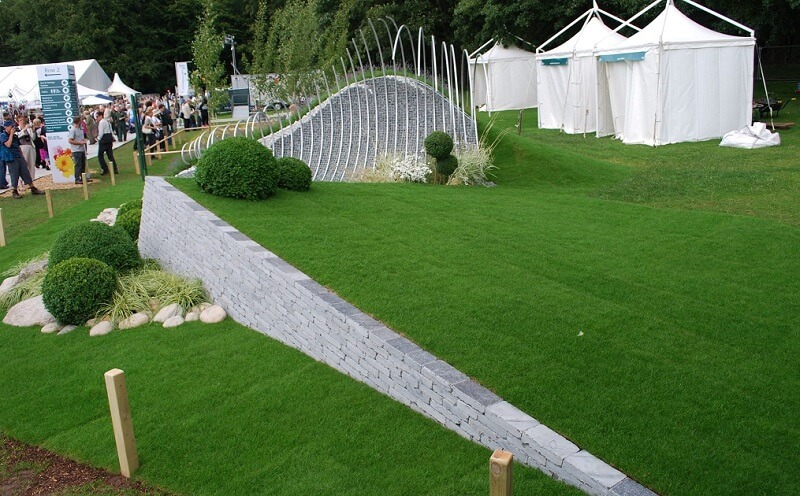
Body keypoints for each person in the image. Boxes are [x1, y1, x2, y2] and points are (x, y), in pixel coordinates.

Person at [1, 120, 44, 199]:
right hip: (10, 158)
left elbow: (18, 146)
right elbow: (7, 145)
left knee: (25, 172)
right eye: (11, 126)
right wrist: (11, 134)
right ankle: (14, 191)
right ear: (6, 127)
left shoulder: (15, 136)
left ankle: (32, 188)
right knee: (14, 174)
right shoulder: (3, 135)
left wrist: (22, 156)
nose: (13, 128)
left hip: (18, 156)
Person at [16, 115, 37, 182]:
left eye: (23, 120)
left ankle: (31, 181)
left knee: (31, 165)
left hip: (30, 147)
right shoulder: (16, 129)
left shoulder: (28, 128)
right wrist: (24, 129)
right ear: (17, 121)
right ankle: (22, 181)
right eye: (20, 120)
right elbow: (17, 136)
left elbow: (33, 138)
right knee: (23, 166)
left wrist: (32, 130)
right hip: (22, 148)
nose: (22, 122)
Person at [97, 109, 118, 175]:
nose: (96, 118)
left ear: (101, 116)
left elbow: (101, 133)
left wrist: (98, 138)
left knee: (100, 155)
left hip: (104, 140)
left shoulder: (101, 122)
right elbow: (111, 130)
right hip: (109, 138)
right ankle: (115, 169)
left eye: (97, 116)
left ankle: (105, 169)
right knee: (110, 155)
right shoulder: (107, 122)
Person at [67, 116, 87, 184]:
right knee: (78, 165)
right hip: (76, 150)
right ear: (78, 121)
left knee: (83, 164)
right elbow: (70, 140)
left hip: (81, 149)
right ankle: (77, 179)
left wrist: (83, 141)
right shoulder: (73, 130)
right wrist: (79, 143)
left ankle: (83, 177)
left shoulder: (80, 129)